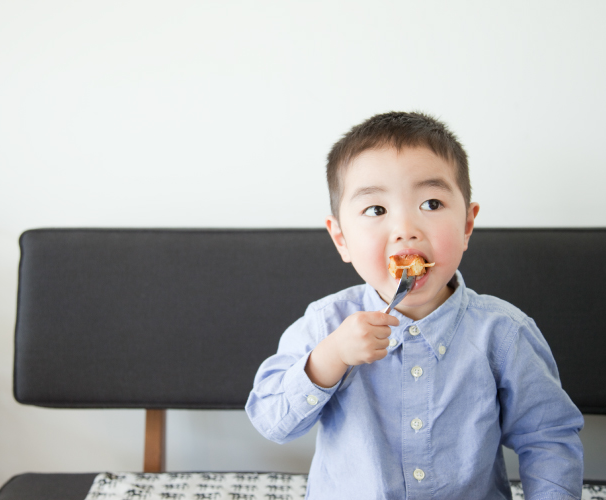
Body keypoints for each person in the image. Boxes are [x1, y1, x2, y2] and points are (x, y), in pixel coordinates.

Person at [245, 112, 584, 499]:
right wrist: (330, 358)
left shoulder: (503, 332)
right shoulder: (326, 324)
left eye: (432, 203)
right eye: (376, 210)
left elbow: (548, 439)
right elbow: (271, 422)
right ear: (341, 238)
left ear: (467, 226)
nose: (406, 228)